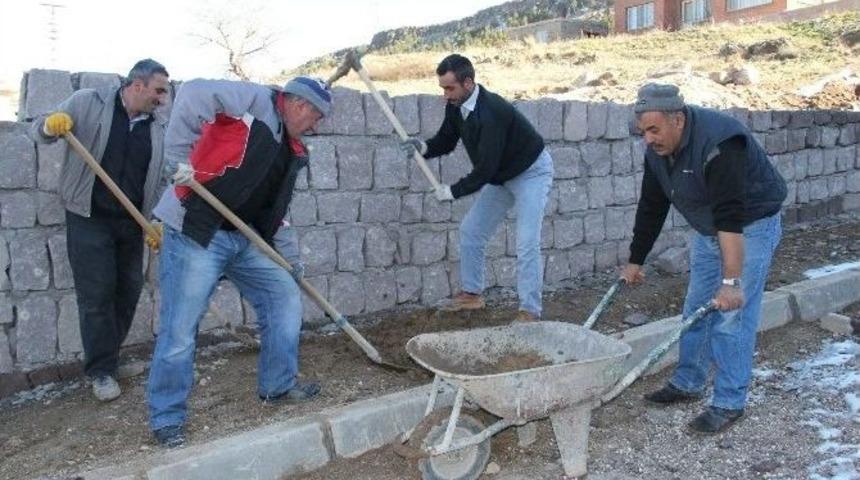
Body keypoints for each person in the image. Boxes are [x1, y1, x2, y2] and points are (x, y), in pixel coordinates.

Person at [146, 75, 331, 448]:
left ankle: (277, 386)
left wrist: (290, 262)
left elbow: (276, 211)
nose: (315, 126)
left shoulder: (292, 149)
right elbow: (197, 92)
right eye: (316, 118)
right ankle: (167, 418)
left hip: (242, 236)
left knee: (283, 295)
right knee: (180, 328)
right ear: (299, 105)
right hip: (196, 227)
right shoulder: (255, 101)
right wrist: (177, 159)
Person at [621, 83, 786, 433]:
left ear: (677, 119)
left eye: (654, 130)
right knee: (696, 306)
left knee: (732, 314)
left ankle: (729, 402)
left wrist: (730, 282)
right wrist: (636, 260)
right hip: (711, 228)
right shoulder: (658, 150)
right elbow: (652, 204)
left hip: (749, 226)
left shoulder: (720, 143)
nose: (648, 139)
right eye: (643, 132)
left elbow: (730, 215)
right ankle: (689, 382)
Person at [31, 59, 170, 402]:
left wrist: (154, 220)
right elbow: (39, 132)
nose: (163, 99)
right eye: (159, 90)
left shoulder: (157, 128)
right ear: (137, 85)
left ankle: (108, 358)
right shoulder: (87, 103)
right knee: (96, 295)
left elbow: (157, 179)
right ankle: (101, 371)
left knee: (128, 291)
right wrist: (51, 126)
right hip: (89, 216)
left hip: (130, 222)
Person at [400, 54, 553, 322]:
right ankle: (472, 295)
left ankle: (530, 310)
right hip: (500, 175)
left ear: (468, 83)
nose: (445, 95)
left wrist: (452, 191)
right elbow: (446, 141)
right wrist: (422, 148)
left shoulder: (492, 111)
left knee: (527, 241)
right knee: (472, 230)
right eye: (443, 88)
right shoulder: (456, 105)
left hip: (530, 172)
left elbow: (485, 169)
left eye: (450, 88)